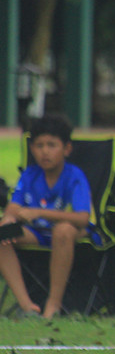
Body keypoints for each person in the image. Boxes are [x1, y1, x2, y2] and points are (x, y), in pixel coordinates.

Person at [0, 114, 95, 320]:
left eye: (52, 145)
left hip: (71, 232)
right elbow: (14, 207)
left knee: (63, 230)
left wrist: (39, 213)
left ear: (66, 149)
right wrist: (8, 219)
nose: (45, 151)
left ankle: (53, 304)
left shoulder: (75, 176)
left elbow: (82, 218)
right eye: (39, 145)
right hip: (37, 232)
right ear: (32, 149)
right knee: (2, 235)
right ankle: (27, 306)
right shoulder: (29, 175)